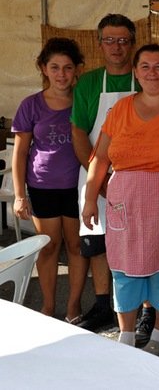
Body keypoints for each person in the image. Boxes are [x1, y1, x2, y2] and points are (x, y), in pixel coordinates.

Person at [81, 44, 159, 355]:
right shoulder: (120, 110)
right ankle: (127, 336)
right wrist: (90, 198)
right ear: (135, 72)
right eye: (145, 66)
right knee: (123, 268)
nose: (152, 72)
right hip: (125, 202)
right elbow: (100, 158)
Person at [71, 14, 158, 334]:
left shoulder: (146, 80)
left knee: (145, 241)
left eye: (123, 40)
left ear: (132, 43)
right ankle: (103, 304)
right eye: (109, 40)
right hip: (96, 175)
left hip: (142, 181)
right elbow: (79, 133)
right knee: (98, 242)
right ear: (100, 44)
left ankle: (148, 310)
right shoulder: (89, 83)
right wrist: (99, 179)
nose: (116, 47)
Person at [11, 37, 85, 323]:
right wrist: (20, 195)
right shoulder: (31, 105)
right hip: (42, 186)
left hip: (77, 187)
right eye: (54, 67)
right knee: (50, 246)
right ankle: (48, 306)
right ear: (43, 68)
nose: (61, 74)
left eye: (67, 68)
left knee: (77, 246)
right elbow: (20, 154)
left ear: (77, 69)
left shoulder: (83, 100)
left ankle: (73, 306)